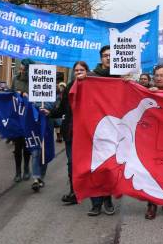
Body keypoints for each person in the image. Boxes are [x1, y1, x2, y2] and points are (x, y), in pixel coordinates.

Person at [44, 61, 90, 205]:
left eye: (81, 70)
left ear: (87, 71)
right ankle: (74, 192)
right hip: (71, 131)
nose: (78, 72)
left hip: (88, 133)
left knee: (89, 164)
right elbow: (63, 108)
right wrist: (50, 112)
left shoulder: (93, 86)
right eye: (76, 70)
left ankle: (93, 191)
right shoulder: (69, 86)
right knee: (71, 162)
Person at [143, 64, 163, 219]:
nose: (158, 78)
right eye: (156, 75)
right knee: (152, 172)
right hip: (152, 139)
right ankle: (152, 204)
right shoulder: (147, 92)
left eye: (162, 75)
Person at [88, 45, 116, 215]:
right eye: (106, 56)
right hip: (93, 126)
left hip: (112, 128)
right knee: (94, 166)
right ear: (101, 58)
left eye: (111, 56)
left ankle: (107, 198)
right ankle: (95, 203)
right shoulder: (91, 76)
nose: (108, 58)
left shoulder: (119, 77)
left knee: (110, 166)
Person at [10, 58, 34, 182]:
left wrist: (27, 96)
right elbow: (11, 93)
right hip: (17, 117)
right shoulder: (15, 79)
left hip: (29, 117)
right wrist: (16, 93)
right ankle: (17, 171)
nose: (21, 71)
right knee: (17, 146)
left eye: (23, 68)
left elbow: (37, 97)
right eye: (20, 68)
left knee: (26, 145)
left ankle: (26, 168)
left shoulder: (34, 80)